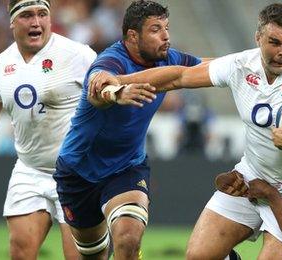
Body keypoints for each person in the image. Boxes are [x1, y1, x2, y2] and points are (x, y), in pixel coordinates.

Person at [100, 3, 282, 259]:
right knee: (198, 256)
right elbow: (180, 77)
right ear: (258, 38)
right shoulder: (241, 66)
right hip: (249, 179)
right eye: (275, 42)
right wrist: (120, 80)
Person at [53, 1, 201, 259]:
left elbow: (208, 68)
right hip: (78, 171)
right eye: (156, 29)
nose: (166, 36)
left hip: (126, 167)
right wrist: (117, 93)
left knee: (128, 238)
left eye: (166, 27)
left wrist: (250, 64)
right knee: (92, 254)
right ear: (133, 35)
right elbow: (98, 88)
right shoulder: (111, 60)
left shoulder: (167, 59)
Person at [0, 0, 96, 259]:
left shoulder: (78, 55)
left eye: (42, 14)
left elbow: (109, 97)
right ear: (12, 22)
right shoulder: (2, 64)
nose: (36, 22)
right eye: (27, 15)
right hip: (30, 169)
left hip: (78, 172)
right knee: (20, 250)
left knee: (79, 257)